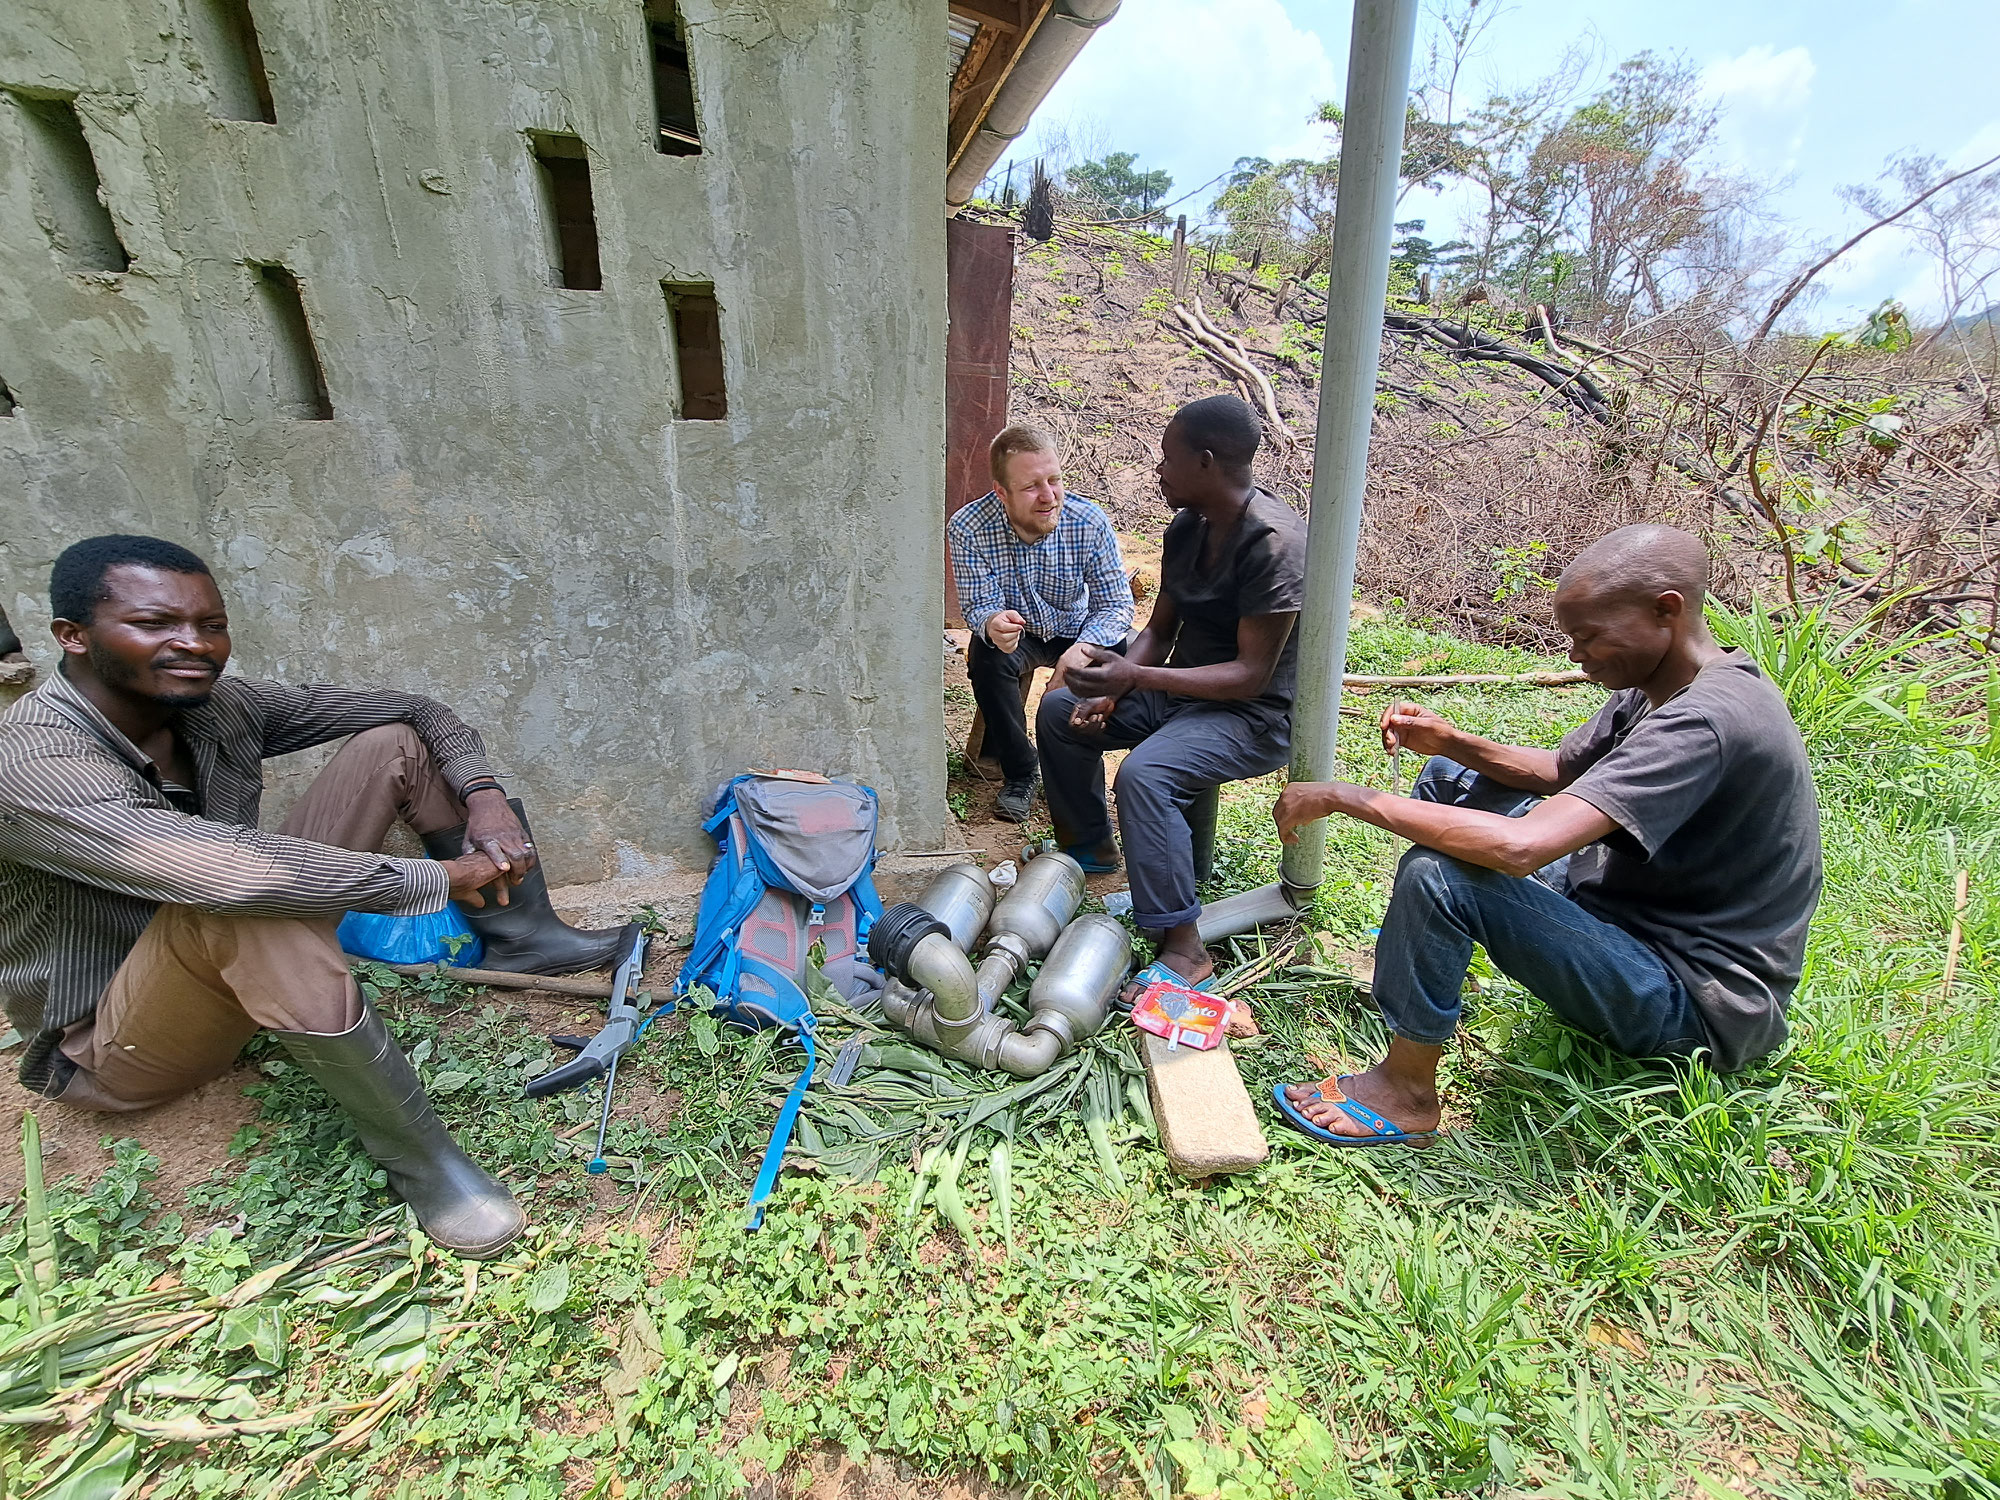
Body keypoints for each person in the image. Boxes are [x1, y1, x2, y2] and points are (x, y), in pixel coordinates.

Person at [0, 535, 637, 1256]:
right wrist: (436, 878)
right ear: (73, 637)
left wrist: (483, 794)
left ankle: (526, 939)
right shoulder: (33, 763)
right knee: (237, 898)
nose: (196, 645)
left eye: (212, 625)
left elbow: (416, 708)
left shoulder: (214, 706)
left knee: (394, 741)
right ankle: (421, 1160)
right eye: (156, 625)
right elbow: (236, 876)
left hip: (222, 956)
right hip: (113, 1044)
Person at [1270, 524, 1823, 1146]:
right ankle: (1433, 972)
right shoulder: (1667, 684)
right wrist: (1450, 741)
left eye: (1587, 637)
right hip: (1626, 914)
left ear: (1665, 609)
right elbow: (1563, 773)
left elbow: (1521, 846)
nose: (1576, 655)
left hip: (1692, 1001)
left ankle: (1407, 1094)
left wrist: (1349, 797)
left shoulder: (1706, 721)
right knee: (1451, 777)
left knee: (1441, 874)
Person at [1038, 396, 1307, 988]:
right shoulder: (1188, 528)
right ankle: (1090, 852)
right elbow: (1159, 630)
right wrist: (1111, 689)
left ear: (1206, 462)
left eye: (1167, 457)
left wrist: (1133, 677)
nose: (1158, 469)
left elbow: (1249, 675)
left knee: (1146, 774)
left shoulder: (1273, 544)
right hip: (1183, 690)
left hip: (1253, 714)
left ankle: (1185, 948)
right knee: (1062, 709)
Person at [948, 424, 1134, 822]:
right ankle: (1021, 772)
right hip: (1024, 633)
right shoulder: (968, 527)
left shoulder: (1089, 521)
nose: (1049, 496)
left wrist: (1081, 651)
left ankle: (1085, 768)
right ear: (1002, 492)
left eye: (1054, 480)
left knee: (1125, 651)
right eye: (1032, 486)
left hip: (1079, 627)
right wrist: (993, 621)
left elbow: (1117, 605)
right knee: (987, 654)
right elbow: (979, 604)